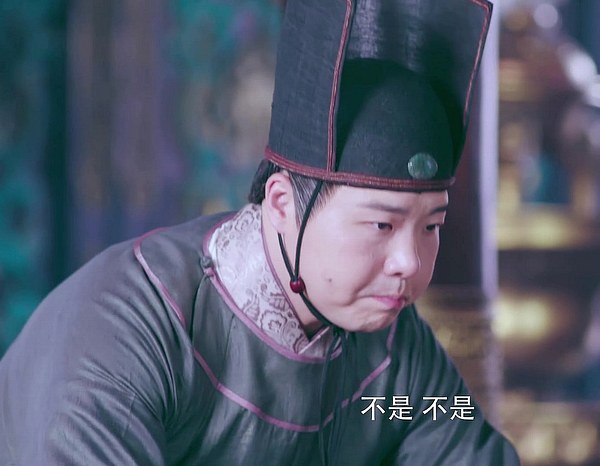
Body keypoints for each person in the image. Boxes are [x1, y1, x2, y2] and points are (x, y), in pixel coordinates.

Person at [0, 0, 520, 464]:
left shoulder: (396, 352)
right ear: (282, 204)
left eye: (431, 225)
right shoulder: (128, 330)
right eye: (381, 224)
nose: (409, 261)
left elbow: (460, 443)